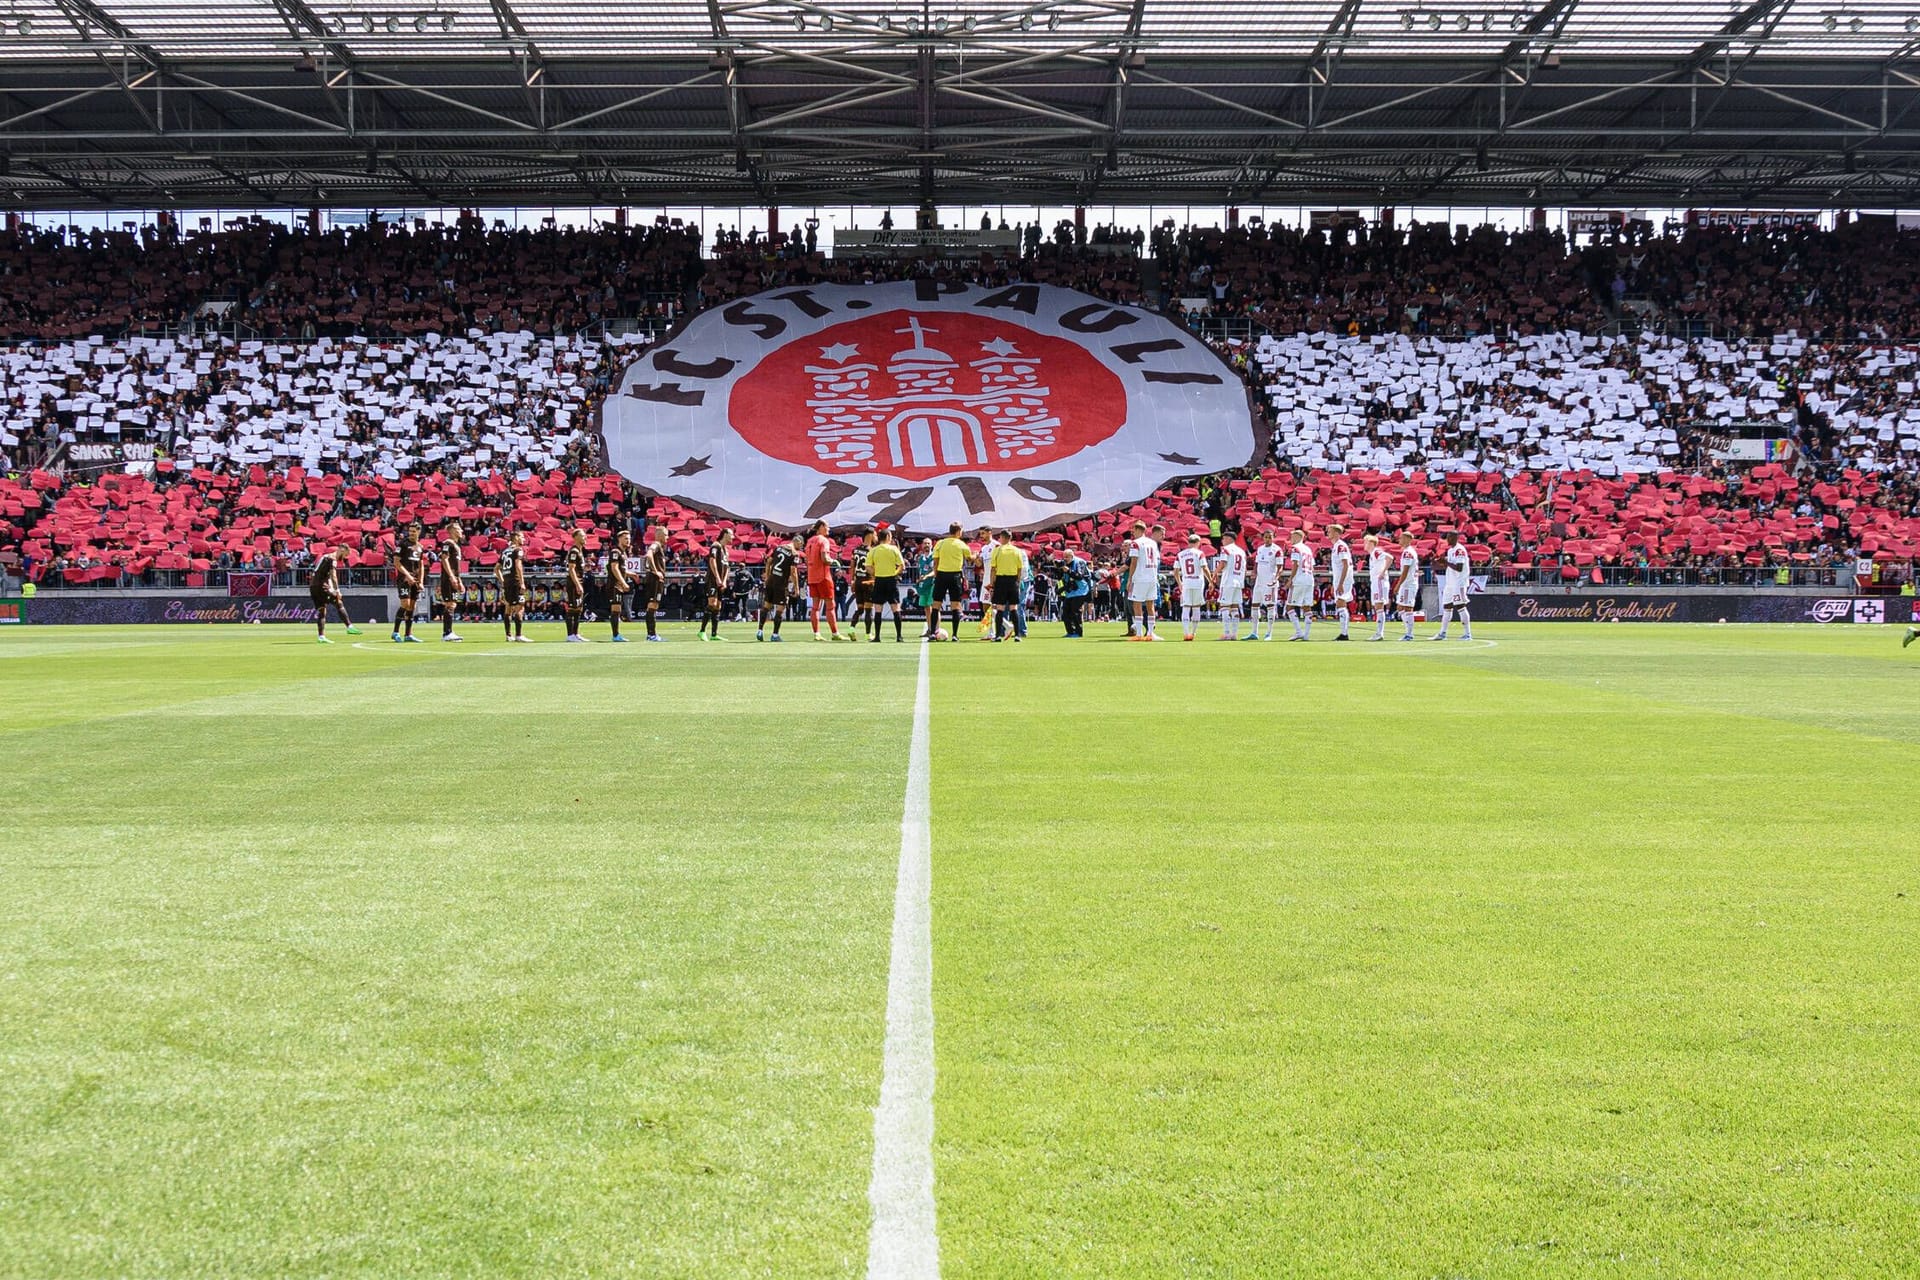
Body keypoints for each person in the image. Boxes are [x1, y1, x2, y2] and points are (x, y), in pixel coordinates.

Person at [309, 542, 360, 644]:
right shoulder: (332, 559)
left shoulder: (325, 557)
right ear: (341, 549)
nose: (344, 558)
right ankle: (349, 626)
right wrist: (337, 590)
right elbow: (333, 576)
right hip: (321, 586)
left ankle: (321, 636)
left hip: (313, 586)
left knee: (322, 611)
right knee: (338, 602)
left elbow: (317, 572)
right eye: (345, 555)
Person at [804, 519, 847, 641]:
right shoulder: (823, 540)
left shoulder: (809, 541)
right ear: (821, 526)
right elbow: (824, 558)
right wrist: (834, 561)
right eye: (827, 526)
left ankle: (816, 634)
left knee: (815, 607)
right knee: (830, 605)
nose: (829, 529)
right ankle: (835, 633)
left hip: (812, 577)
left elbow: (807, 560)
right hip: (823, 576)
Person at [929, 523, 969, 642]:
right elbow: (970, 558)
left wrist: (936, 574)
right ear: (958, 531)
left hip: (941, 575)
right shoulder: (961, 544)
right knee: (955, 606)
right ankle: (955, 635)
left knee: (936, 605)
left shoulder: (940, 543)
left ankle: (932, 633)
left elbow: (935, 561)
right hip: (955, 576)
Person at [758, 533, 801, 641]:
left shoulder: (779, 547)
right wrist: (796, 588)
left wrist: (767, 577)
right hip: (781, 583)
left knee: (766, 606)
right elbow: (793, 572)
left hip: (771, 580)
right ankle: (775, 635)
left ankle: (760, 630)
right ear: (798, 542)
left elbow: (768, 561)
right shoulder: (794, 554)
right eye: (801, 545)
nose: (800, 547)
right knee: (780, 609)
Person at [867, 526, 905, 642]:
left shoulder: (873, 550)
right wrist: (894, 573)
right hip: (891, 581)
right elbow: (902, 566)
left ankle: (877, 636)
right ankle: (899, 636)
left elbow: (868, 567)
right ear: (888, 537)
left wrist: (875, 573)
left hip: (879, 580)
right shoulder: (894, 549)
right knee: (895, 608)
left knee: (878, 609)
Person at [1124, 520, 1161, 640]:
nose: (1132, 533)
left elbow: (1134, 562)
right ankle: (1151, 633)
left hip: (1140, 577)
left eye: (1133, 530)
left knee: (1137, 604)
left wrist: (1130, 579)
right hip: (1152, 577)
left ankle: (1139, 634)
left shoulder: (1135, 543)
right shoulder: (1153, 543)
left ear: (1137, 530)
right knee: (1151, 605)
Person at [1433, 533, 1473, 640]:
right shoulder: (1450, 550)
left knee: (1460, 606)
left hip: (1458, 583)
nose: (1447, 539)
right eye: (1447, 537)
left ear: (1455, 538)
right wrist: (1439, 563)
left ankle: (1467, 633)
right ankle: (1443, 633)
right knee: (1447, 607)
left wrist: (1446, 562)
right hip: (1450, 583)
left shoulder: (1459, 550)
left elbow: (1459, 568)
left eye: (1449, 537)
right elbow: (1450, 565)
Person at [391, 520, 425, 642]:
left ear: (419, 532)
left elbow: (421, 565)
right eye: (409, 531)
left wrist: (420, 581)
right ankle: (395, 632)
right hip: (404, 578)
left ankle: (408, 634)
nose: (411, 533)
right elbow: (396, 562)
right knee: (405, 604)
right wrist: (408, 576)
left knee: (412, 606)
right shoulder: (403, 544)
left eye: (413, 531)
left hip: (415, 579)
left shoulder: (420, 547)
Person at [1174, 532, 1211, 641]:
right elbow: (1204, 568)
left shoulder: (1180, 554)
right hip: (1198, 582)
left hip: (1186, 582)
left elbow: (1175, 571)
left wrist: (1179, 583)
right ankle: (1193, 633)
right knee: (1196, 607)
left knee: (1186, 607)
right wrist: (1211, 581)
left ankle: (1186, 633)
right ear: (1198, 542)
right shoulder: (1199, 553)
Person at [990, 530, 1026, 641]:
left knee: (1000, 608)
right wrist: (1018, 583)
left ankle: (997, 636)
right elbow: (1020, 569)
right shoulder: (1017, 551)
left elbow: (993, 569)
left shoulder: (997, 550)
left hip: (1001, 580)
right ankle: (1017, 635)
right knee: (1013, 608)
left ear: (1002, 538)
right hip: (1013, 580)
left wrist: (992, 584)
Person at [699, 528, 733, 640]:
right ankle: (702, 631)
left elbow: (727, 567)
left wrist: (724, 581)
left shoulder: (726, 550)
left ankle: (714, 634)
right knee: (712, 603)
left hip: (721, 582)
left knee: (718, 606)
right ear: (725, 534)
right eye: (731, 535)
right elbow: (712, 561)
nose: (733, 537)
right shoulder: (715, 546)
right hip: (712, 580)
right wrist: (718, 578)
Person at [498, 528, 530, 642]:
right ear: (516, 538)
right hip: (515, 581)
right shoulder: (518, 550)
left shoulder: (505, 552)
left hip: (507, 582)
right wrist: (522, 582)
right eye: (522, 537)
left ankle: (508, 635)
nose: (524, 539)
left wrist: (502, 581)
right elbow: (518, 565)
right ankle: (519, 635)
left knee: (508, 608)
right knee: (520, 607)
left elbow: (496, 569)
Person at [1215, 531, 1247, 641]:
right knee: (1234, 607)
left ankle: (1226, 633)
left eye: (1223, 539)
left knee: (1224, 606)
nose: (1222, 541)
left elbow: (1223, 563)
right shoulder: (1241, 551)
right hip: (1238, 581)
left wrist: (1215, 574)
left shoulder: (1226, 549)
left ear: (1229, 539)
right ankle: (1234, 633)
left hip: (1228, 580)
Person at [1250, 528, 1281, 641]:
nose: (1267, 539)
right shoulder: (1260, 549)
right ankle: (1254, 632)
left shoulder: (1277, 550)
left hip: (1269, 580)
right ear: (1263, 538)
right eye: (1266, 537)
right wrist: (1254, 572)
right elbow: (1257, 562)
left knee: (1270, 606)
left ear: (1273, 538)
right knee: (1254, 605)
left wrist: (1276, 578)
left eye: (1270, 537)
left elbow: (1280, 566)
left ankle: (1269, 633)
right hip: (1259, 581)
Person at [1285, 528, 1315, 641]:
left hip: (1299, 580)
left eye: (1292, 537)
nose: (1291, 539)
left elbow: (1296, 564)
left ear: (1298, 537)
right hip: (1309, 579)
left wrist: (1290, 579)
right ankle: (1306, 634)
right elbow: (1312, 566)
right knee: (1307, 606)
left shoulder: (1296, 548)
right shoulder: (1308, 549)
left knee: (1289, 606)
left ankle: (1298, 632)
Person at [638, 528, 668, 641]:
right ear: (660, 535)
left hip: (657, 580)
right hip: (654, 579)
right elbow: (649, 555)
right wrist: (655, 571)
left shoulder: (659, 547)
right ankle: (651, 634)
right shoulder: (656, 545)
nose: (667, 537)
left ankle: (652, 634)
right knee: (652, 605)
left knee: (654, 605)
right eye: (666, 535)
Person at [437, 521, 465, 642]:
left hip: (454, 578)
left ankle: (449, 632)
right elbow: (444, 559)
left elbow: (456, 566)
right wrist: (452, 577)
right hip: (448, 579)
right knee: (450, 604)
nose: (461, 531)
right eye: (459, 529)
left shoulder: (456, 546)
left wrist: (460, 581)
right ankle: (447, 633)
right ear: (453, 531)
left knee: (453, 603)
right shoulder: (447, 543)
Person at [605, 529, 634, 642]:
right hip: (614, 585)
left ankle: (616, 634)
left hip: (619, 585)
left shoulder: (623, 553)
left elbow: (622, 570)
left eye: (629, 538)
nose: (628, 541)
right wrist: (623, 582)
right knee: (616, 609)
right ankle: (615, 635)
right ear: (619, 539)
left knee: (618, 609)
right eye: (626, 538)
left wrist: (632, 575)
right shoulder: (615, 552)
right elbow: (614, 568)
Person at [1327, 523, 1354, 642]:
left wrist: (1341, 583)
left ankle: (1344, 633)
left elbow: (1345, 564)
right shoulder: (1336, 546)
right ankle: (1344, 632)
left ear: (1337, 533)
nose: (1328, 533)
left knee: (1341, 603)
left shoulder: (1340, 546)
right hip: (1339, 579)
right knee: (1340, 603)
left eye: (1330, 531)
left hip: (1344, 579)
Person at [562, 528, 590, 642]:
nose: (585, 537)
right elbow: (571, 569)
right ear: (575, 538)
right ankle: (570, 635)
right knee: (572, 608)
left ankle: (576, 633)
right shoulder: (574, 551)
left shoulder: (580, 550)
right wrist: (578, 584)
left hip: (579, 581)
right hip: (573, 583)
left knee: (579, 608)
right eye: (582, 536)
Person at [1059, 544, 1091, 638]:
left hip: (1081, 590)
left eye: (1067, 557)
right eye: (1064, 557)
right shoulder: (1064, 564)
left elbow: (1080, 576)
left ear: (1072, 556)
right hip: (1070, 591)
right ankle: (1070, 631)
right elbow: (1061, 578)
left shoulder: (1079, 562)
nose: (1065, 559)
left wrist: (1068, 571)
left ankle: (1078, 632)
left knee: (1075, 611)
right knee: (1065, 612)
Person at [1393, 531, 1420, 641]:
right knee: (1400, 607)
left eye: (1402, 538)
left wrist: (1398, 585)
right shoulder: (1408, 552)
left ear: (1408, 539)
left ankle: (1409, 634)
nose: (1399, 540)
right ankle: (1408, 632)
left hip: (1408, 584)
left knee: (1408, 608)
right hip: (1407, 583)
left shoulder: (1408, 553)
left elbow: (1405, 571)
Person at [974, 528, 1000, 640]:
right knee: (985, 605)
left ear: (990, 533)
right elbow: (979, 564)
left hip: (994, 579)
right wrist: (974, 557)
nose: (982, 536)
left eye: (983, 533)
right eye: (980, 534)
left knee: (993, 605)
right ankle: (992, 632)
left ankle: (1002, 628)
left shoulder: (997, 546)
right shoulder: (984, 548)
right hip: (986, 579)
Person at [1365, 533, 1392, 642]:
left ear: (1371, 543)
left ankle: (1380, 633)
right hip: (1375, 582)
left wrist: (1383, 572)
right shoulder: (1372, 554)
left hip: (1379, 582)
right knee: (1377, 607)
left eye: (1365, 542)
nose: (1364, 544)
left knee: (1379, 606)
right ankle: (1378, 632)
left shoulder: (1376, 551)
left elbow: (1390, 557)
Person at [850, 528, 876, 639]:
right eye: (874, 535)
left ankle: (851, 628)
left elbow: (852, 566)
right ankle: (868, 634)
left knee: (860, 608)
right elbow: (873, 567)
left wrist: (852, 580)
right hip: (868, 581)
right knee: (869, 609)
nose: (876, 537)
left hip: (858, 581)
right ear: (869, 535)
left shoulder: (856, 550)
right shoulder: (872, 551)